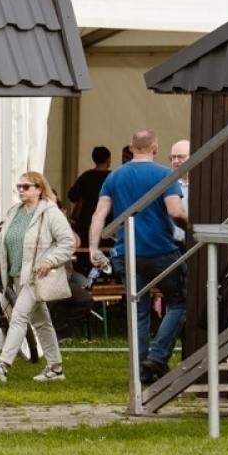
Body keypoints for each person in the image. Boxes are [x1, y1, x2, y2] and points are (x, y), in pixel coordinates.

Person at [87, 129, 188, 384]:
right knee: (180, 301)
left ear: (131, 149)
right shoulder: (166, 174)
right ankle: (157, 356)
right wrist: (193, 229)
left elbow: (99, 215)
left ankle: (141, 372)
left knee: (139, 310)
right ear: (155, 148)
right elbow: (176, 212)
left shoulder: (115, 176)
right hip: (161, 250)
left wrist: (93, 248)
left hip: (127, 252)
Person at [0, 171, 73, 383]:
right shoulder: (14, 212)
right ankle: (56, 368)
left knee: (18, 317)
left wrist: (49, 261)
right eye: (19, 187)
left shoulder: (51, 212)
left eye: (26, 186)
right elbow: (0, 246)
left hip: (36, 277)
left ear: (39, 189)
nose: (21, 190)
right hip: (16, 277)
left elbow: (68, 243)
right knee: (42, 322)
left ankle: (3, 365)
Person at [66, 146, 113, 238]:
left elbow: (72, 196)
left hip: (87, 221)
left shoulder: (86, 176)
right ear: (108, 159)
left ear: (94, 159)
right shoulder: (113, 177)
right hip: (108, 221)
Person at [168, 139, 191, 245]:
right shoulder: (167, 183)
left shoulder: (204, 183)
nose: (176, 161)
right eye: (173, 157)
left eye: (180, 157)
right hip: (173, 244)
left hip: (195, 241)